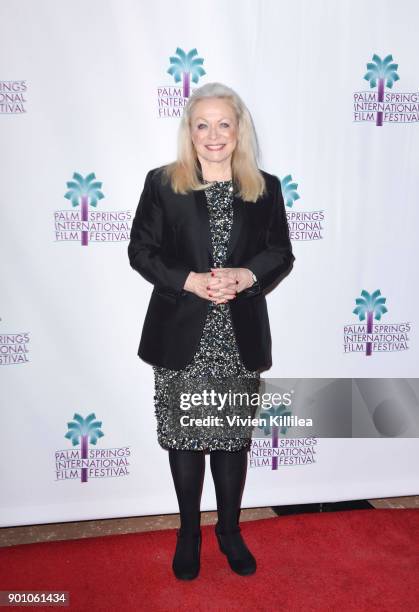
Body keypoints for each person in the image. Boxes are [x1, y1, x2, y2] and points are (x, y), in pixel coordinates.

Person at [128, 82, 295, 580]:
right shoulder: (164, 183)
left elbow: (280, 253)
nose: (214, 134)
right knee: (185, 438)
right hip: (182, 335)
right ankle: (188, 532)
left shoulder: (264, 187)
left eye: (224, 122)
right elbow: (142, 251)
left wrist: (246, 277)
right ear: (190, 131)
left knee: (230, 439)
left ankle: (229, 530)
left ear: (239, 128)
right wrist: (188, 280)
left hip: (236, 335)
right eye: (202, 124)